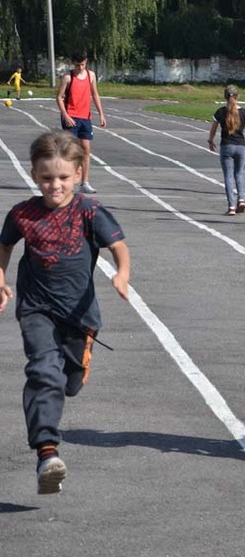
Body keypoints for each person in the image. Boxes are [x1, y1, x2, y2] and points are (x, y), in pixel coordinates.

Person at [0, 131, 130, 495]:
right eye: (45, 178)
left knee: (68, 382)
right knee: (44, 373)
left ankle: (78, 364)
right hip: (35, 308)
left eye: (62, 177)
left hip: (79, 314)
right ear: (33, 175)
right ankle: (47, 452)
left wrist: (122, 273)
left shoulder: (89, 211)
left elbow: (118, 246)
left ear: (77, 173)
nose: (54, 185)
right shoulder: (23, 213)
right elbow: (5, 244)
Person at [56, 51, 106, 194]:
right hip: (71, 117)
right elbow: (59, 98)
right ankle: (65, 181)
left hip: (85, 118)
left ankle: (84, 182)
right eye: (78, 65)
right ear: (73, 63)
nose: (80, 68)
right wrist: (65, 115)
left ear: (86, 62)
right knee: (69, 151)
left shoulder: (91, 75)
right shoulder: (68, 77)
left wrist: (101, 114)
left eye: (83, 65)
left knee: (85, 150)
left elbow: (95, 94)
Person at [208, 85, 245, 216]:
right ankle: (241, 199)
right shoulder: (244, 112)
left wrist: (210, 141)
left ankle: (231, 206)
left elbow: (213, 130)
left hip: (226, 146)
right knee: (239, 174)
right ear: (237, 97)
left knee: (228, 176)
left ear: (225, 97)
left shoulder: (221, 112)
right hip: (240, 146)